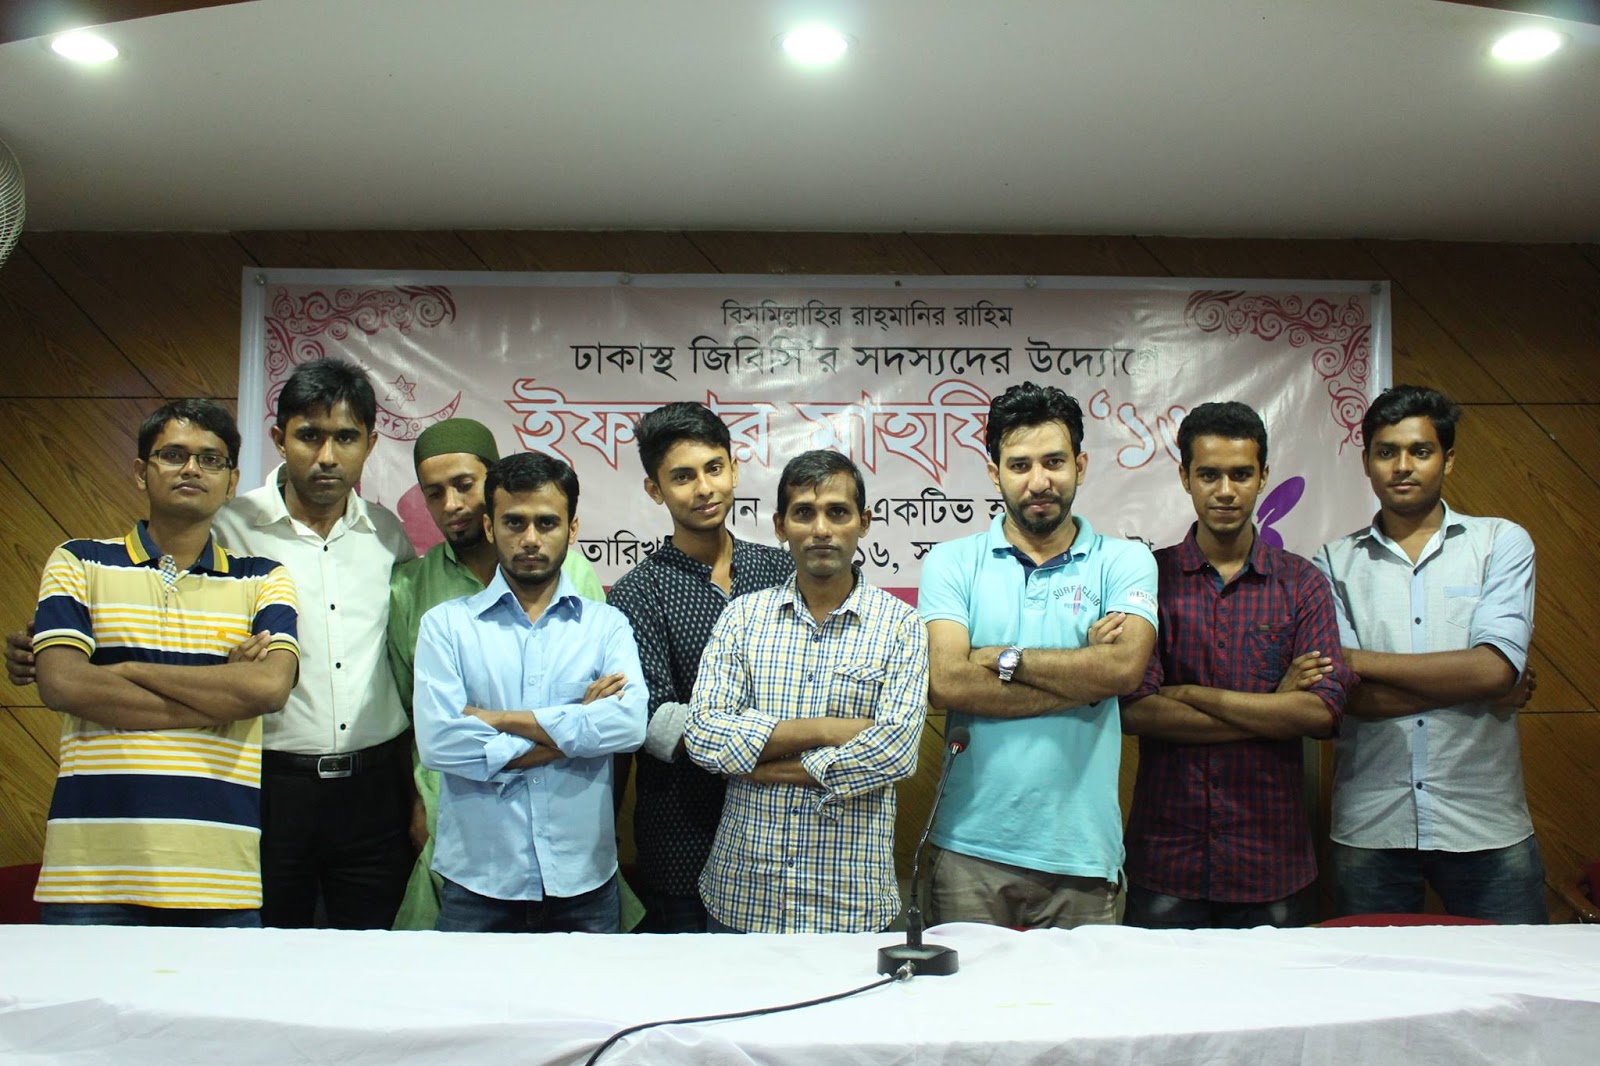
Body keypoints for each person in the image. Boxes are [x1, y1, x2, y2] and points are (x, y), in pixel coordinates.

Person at [6, 361, 415, 929]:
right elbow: (78, 663)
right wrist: (49, 656)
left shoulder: (388, 535)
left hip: (374, 787)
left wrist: (120, 669)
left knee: (373, 956)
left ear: (370, 444)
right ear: (280, 439)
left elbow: (289, 680)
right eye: (309, 436)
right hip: (265, 783)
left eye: (345, 437)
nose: (327, 456)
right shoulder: (226, 523)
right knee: (265, 961)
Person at [31, 399, 299, 926]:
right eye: (173, 455)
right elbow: (62, 684)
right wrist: (222, 692)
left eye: (211, 459)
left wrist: (126, 671)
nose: (192, 468)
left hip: (217, 877)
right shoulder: (79, 560)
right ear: (141, 472)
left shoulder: (264, 577)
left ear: (231, 481)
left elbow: (268, 690)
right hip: (90, 876)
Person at [917, 381, 1158, 929]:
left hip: (1083, 854)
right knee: (966, 990)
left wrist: (1002, 658)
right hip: (969, 849)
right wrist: (1085, 679)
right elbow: (948, 683)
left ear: (1080, 465)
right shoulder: (952, 563)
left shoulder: (1125, 561)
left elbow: (1123, 669)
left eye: (1054, 462)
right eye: (1020, 465)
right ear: (994, 473)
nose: (1039, 481)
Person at [1314, 385, 1545, 923]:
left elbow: (1493, 669)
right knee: (1374, 977)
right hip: (1373, 822)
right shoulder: (1331, 562)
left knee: (1512, 973)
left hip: (1485, 821)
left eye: (1420, 451)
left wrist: (1358, 660)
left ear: (1448, 459)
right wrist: (1477, 684)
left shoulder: (1500, 543)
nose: (1402, 466)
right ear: (1366, 463)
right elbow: (1349, 699)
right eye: (1386, 452)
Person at [1120, 402, 1353, 929]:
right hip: (1168, 860)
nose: (1225, 490)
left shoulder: (1302, 583)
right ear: (1185, 477)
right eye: (1209, 475)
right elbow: (1136, 712)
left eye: (1241, 474)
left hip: (1272, 863)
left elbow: (1320, 713)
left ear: (1263, 476)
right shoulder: (1147, 578)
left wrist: (1188, 694)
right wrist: (1274, 708)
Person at [682, 450, 926, 934]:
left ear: (864, 523)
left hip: (850, 901)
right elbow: (703, 736)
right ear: (780, 526)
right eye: (803, 513)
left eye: (837, 512)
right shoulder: (742, 618)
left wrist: (759, 766)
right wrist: (829, 731)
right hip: (743, 895)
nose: (821, 529)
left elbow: (895, 752)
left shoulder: (901, 625)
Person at [384, 417, 611, 930]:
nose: (452, 505)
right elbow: (415, 720)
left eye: (464, 485)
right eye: (434, 493)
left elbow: (609, 713)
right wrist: (418, 806)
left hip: (566, 819)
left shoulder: (573, 573)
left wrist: (493, 724)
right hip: (456, 816)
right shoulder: (410, 589)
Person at [607, 402, 792, 932]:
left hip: (784, 829)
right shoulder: (638, 594)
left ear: (734, 469)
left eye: (714, 468)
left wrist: (727, 728)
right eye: (683, 476)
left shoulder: (782, 571)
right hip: (684, 835)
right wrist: (787, 731)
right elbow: (656, 722)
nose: (705, 488)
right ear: (655, 490)